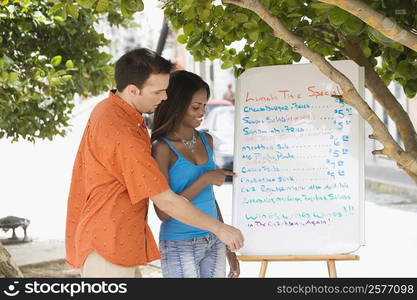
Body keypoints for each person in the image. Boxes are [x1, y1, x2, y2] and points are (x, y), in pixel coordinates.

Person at [65, 48, 244, 278]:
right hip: (107, 244)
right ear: (133, 90)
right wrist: (220, 228)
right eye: (158, 91)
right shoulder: (121, 130)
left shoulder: (115, 111)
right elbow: (165, 202)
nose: (165, 97)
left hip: (117, 243)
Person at [151, 70, 240, 278]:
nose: (202, 112)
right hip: (179, 243)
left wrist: (229, 249)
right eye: (195, 107)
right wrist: (205, 179)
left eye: (204, 106)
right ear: (176, 106)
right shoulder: (162, 148)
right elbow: (163, 212)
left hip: (214, 240)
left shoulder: (206, 140)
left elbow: (211, 199)